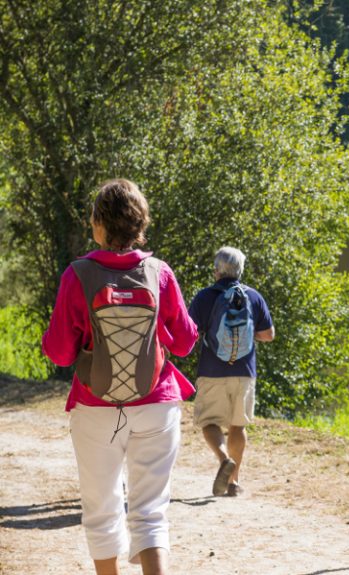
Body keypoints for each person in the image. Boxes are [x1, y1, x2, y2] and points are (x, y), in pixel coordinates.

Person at [42, 179, 199, 575]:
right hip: (157, 403)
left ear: (97, 224)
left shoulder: (76, 274)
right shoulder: (159, 272)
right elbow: (183, 343)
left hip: (95, 407)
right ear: (141, 223)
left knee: (101, 511)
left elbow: (60, 352)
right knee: (150, 515)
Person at [188, 247, 274, 497]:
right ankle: (234, 483)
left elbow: (190, 333)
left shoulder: (204, 297)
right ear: (240, 270)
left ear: (217, 271)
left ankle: (224, 458)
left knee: (209, 422)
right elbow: (269, 335)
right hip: (245, 371)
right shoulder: (253, 296)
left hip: (211, 370)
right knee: (238, 426)